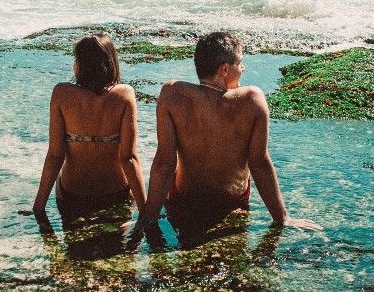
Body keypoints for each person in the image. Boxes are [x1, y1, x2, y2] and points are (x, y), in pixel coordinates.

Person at [137, 32, 321, 233]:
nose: (243, 68)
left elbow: (165, 162)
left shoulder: (172, 94)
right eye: (239, 62)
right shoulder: (252, 100)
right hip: (231, 201)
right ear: (224, 69)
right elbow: (258, 163)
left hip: (184, 198)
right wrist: (282, 218)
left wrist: (147, 218)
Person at [28, 33, 147, 225]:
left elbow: (55, 156)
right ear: (111, 63)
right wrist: (146, 212)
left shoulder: (62, 94)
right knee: (122, 249)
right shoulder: (125, 95)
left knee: (73, 252)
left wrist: (38, 208)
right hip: (116, 193)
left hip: (73, 194)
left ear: (79, 64)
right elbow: (129, 158)